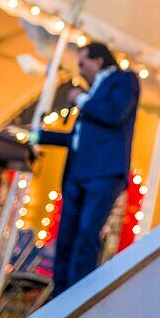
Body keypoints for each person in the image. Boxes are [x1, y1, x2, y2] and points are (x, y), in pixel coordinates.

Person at [31, 42, 139, 298]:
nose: (80, 71)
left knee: (87, 234)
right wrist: (39, 136)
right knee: (66, 237)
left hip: (104, 172)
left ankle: (77, 300)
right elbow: (79, 138)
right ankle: (59, 296)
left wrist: (80, 98)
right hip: (77, 173)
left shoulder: (124, 80)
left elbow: (114, 114)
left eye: (83, 64)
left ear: (99, 61)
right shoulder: (93, 92)